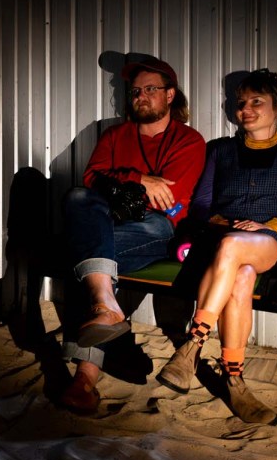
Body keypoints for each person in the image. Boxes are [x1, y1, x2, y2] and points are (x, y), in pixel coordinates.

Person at [155, 69, 277, 425]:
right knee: (242, 277)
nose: (245, 109)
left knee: (236, 249)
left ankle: (192, 346)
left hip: (268, 242)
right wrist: (223, 222)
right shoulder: (220, 150)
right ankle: (235, 381)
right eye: (240, 103)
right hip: (222, 241)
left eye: (256, 102)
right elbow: (201, 205)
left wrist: (272, 225)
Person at [58, 57, 205, 413]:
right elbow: (91, 181)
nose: (141, 96)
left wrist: (118, 186)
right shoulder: (114, 135)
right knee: (78, 200)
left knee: (86, 253)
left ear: (170, 95)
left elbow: (166, 199)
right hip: (110, 223)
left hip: (157, 230)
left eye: (151, 89)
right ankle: (105, 312)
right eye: (136, 91)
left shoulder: (188, 140)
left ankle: (86, 375)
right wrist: (140, 180)